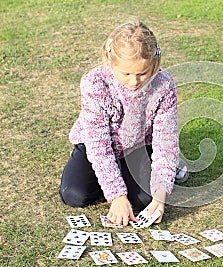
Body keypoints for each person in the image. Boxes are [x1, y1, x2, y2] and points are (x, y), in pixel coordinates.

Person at [59, 21, 180, 226]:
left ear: (154, 64)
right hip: (95, 147)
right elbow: (99, 146)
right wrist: (116, 195)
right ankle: (110, 177)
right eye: (126, 74)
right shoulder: (95, 84)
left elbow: (165, 143)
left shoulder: (164, 85)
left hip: (137, 147)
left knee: (147, 200)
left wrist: (160, 195)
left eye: (142, 73)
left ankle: (161, 171)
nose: (134, 82)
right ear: (110, 61)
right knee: (75, 195)